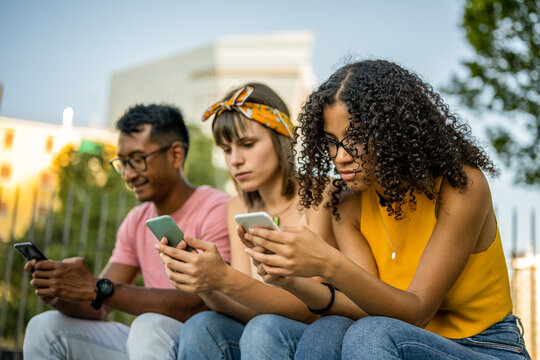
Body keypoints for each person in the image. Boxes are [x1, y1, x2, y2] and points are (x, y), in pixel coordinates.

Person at [244, 60, 531, 359]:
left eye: (354, 138)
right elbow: (365, 308)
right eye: (330, 142)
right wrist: (288, 279)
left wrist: (326, 262)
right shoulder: (346, 202)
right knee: (317, 329)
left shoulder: (460, 186)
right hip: (392, 341)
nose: (340, 157)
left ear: (393, 132)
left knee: (370, 333)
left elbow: (417, 311)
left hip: (487, 347)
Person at [23, 104, 230, 360]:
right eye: (123, 162)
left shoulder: (216, 209)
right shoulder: (136, 220)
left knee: (148, 326)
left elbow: (203, 302)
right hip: (149, 346)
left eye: (139, 160)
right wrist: (59, 291)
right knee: (44, 327)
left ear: (176, 155)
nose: (129, 174)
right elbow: (97, 305)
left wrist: (98, 288)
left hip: (202, 343)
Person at [155, 83, 336, 359]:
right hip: (260, 335)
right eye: (226, 150)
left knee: (262, 330)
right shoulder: (237, 206)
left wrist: (224, 279)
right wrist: (206, 285)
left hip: (318, 338)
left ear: (281, 138)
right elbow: (249, 308)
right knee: (201, 326)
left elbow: (313, 308)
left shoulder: (320, 193)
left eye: (247, 144)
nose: (235, 160)